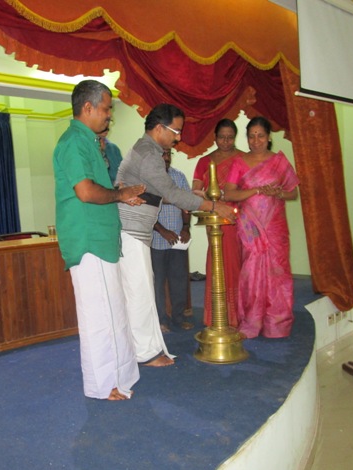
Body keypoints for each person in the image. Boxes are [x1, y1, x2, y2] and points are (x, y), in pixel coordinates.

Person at [116, 103, 235, 367]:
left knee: (142, 290)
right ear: (159, 128)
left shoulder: (146, 150)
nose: (178, 138)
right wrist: (213, 206)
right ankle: (145, 354)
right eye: (176, 131)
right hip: (131, 232)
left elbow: (165, 193)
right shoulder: (149, 154)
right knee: (140, 293)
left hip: (136, 232)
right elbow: (171, 193)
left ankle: (145, 349)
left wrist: (195, 197)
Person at [52, 79, 147, 401]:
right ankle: (103, 385)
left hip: (102, 239)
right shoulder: (73, 142)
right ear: (88, 107)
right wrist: (120, 194)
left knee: (114, 312)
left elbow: (100, 189)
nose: (109, 115)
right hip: (88, 240)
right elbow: (85, 191)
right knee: (98, 317)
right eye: (106, 109)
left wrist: (122, 195)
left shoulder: (90, 142)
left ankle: (121, 376)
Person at [223, 116, 300, 338]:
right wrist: (256, 191)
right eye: (251, 136)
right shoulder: (239, 162)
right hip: (250, 227)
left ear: (269, 138)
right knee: (251, 273)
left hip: (275, 227)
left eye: (260, 136)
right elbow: (229, 193)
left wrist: (279, 193)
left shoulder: (279, 162)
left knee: (278, 272)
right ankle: (252, 321)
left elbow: (293, 193)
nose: (256, 141)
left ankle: (277, 323)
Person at [192, 119, 244, 329]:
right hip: (215, 217)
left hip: (240, 217)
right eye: (222, 137)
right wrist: (216, 197)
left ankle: (239, 313)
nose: (226, 141)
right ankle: (220, 314)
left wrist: (231, 196)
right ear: (215, 137)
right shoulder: (205, 161)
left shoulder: (243, 158)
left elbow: (249, 187)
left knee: (241, 261)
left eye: (230, 137)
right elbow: (195, 190)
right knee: (218, 259)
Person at [151, 149, 194, 333]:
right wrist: (162, 230)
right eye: (162, 154)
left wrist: (186, 227)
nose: (166, 158)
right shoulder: (147, 178)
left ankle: (178, 318)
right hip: (156, 240)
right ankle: (161, 321)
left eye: (169, 154)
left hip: (178, 240)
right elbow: (145, 208)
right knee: (158, 283)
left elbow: (187, 204)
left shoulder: (179, 176)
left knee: (179, 280)